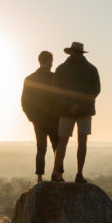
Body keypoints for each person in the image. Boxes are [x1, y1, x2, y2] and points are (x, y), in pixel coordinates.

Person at [50, 41, 100, 183]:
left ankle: (55, 172)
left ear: (71, 52)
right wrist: (80, 105)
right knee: (82, 141)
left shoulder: (61, 68)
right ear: (82, 53)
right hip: (85, 110)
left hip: (65, 111)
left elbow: (56, 90)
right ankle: (79, 174)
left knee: (62, 142)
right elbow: (95, 90)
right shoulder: (91, 69)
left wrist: (69, 106)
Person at [21, 50, 60, 182]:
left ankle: (39, 177)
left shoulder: (30, 79)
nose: (52, 63)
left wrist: (32, 118)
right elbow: (60, 98)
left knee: (41, 148)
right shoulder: (55, 78)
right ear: (48, 61)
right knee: (57, 147)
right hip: (54, 118)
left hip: (38, 120)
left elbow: (24, 102)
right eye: (52, 60)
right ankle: (58, 175)